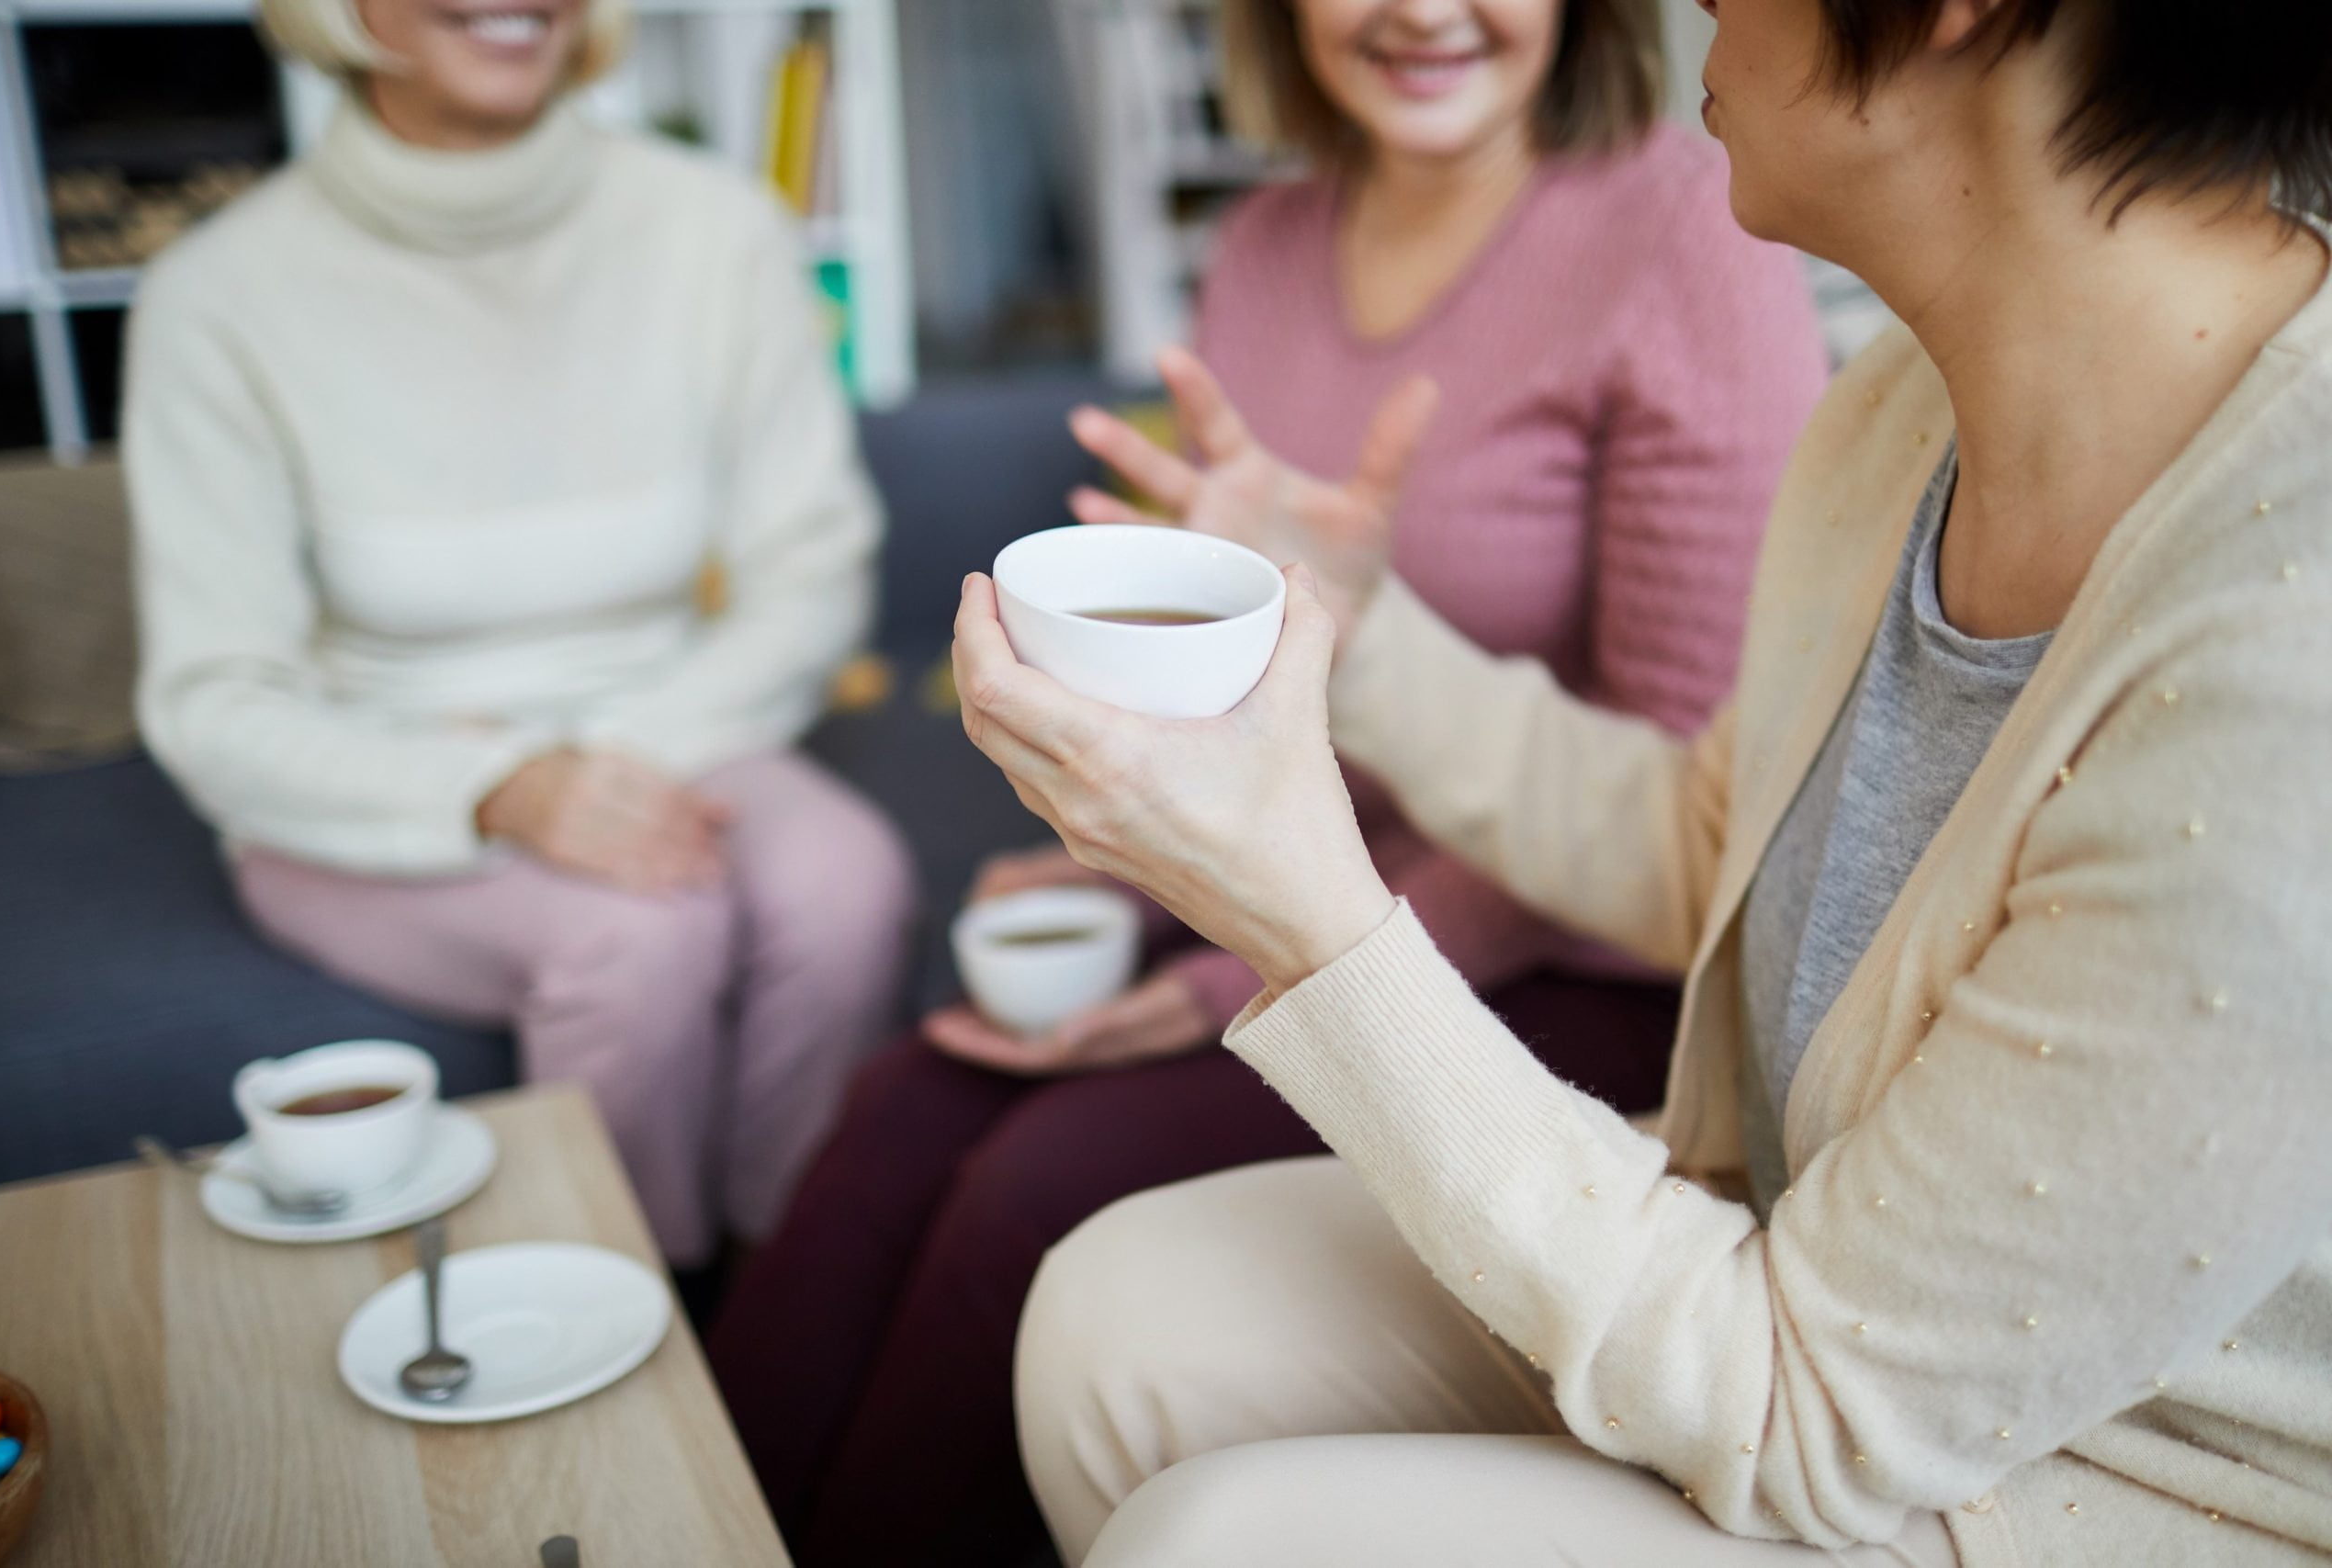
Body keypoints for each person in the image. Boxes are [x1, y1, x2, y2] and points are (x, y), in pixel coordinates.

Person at [963, 0, 2332, 1562]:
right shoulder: (1909, 405)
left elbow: (1822, 1408)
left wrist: (1306, 914)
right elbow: (1713, 847)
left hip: (2107, 1472)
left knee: (1223, 1540)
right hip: (1815, 1262)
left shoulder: (2295, 629)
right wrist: (1365, 631)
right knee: (1122, 1307)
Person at [705, 0, 1826, 1560]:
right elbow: (1253, 673)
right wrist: (1141, 877)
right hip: (1290, 891)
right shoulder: (1269, 240)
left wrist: (1227, 942)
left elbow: (1685, 784)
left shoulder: (1686, 226)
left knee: (1032, 1194)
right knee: (905, 1100)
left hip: (1570, 967)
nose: (1423, 10)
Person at [123, 0, 915, 1268]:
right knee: (642, 935)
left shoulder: (718, 231)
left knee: (846, 882)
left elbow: (813, 574)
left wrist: (596, 767)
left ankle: (789, 1289)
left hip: (674, 722)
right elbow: (217, 704)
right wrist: (500, 789)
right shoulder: (215, 295)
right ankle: (629, 1317)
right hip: (372, 772)